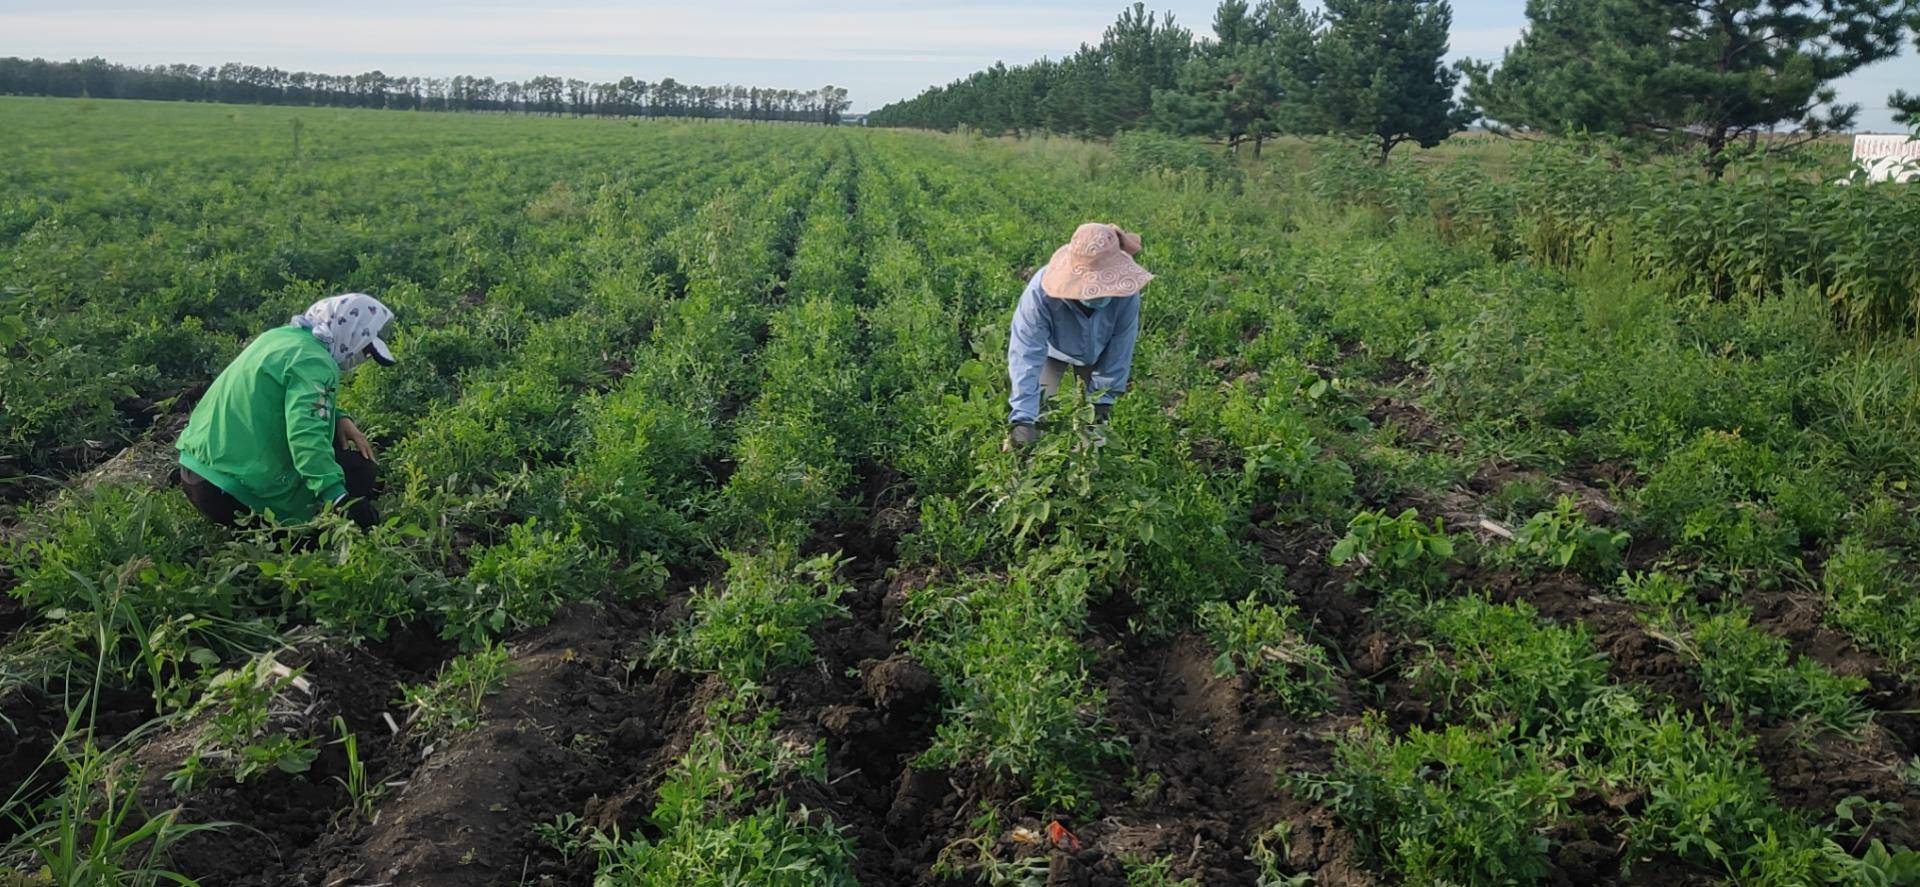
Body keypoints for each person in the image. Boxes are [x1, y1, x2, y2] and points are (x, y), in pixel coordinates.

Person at [176, 293, 396, 529]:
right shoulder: (316, 362)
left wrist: (339, 416)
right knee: (358, 475)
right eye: (366, 351)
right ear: (350, 333)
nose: (361, 360)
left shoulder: (281, 338)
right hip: (230, 491)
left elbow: (282, 392)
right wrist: (339, 498)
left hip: (194, 469)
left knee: (336, 450)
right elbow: (306, 437)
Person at [1006, 222, 1154, 449]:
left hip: (1098, 353)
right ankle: (1032, 461)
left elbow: (1119, 349)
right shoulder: (1040, 294)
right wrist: (1022, 418)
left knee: (1093, 434)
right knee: (1039, 414)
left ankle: (1084, 470)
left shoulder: (1126, 295)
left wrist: (1103, 401)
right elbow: (1026, 353)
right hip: (1052, 350)